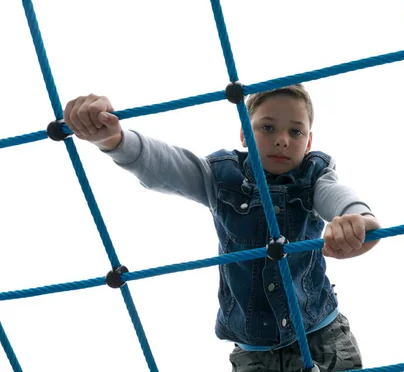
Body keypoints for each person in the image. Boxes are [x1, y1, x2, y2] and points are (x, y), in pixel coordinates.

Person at [63, 84, 381, 372]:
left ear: (308, 141)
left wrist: (358, 219)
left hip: (321, 336)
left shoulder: (313, 176)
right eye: (267, 127)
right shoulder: (222, 177)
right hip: (254, 353)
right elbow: (168, 166)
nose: (282, 139)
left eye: (296, 132)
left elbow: (338, 197)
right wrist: (114, 139)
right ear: (244, 134)